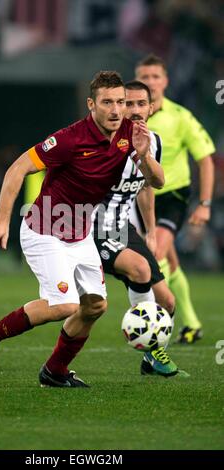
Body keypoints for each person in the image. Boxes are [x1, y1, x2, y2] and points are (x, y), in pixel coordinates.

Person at [0, 71, 164, 388]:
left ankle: (55, 372)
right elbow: (18, 167)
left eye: (121, 102)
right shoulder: (70, 139)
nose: (116, 110)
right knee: (65, 306)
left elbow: (156, 181)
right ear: (91, 104)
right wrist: (1, 220)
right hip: (44, 231)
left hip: (79, 233)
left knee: (95, 306)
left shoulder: (131, 134)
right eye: (107, 102)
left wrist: (144, 156)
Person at [93, 80, 177, 376]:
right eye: (129, 103)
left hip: (124, 228)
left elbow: (149, 185)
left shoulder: (153, 141)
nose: (136, 110)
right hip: (93, 227)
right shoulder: (105, 139)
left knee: (167, 300)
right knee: (86, 303)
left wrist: (150, 231)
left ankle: (150, 360)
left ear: (151, 108)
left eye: (142, 104)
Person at [134, 54, 215, 343]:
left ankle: (156, 329)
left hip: (173, 196)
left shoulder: (181, 117)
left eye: (156, 76)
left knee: (155, 255)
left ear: (166, 81)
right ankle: (192, 324)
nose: (150, 81)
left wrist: (204, 205)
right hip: (139, 196)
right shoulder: (126, 118)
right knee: (170, 260)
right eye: (144, 76)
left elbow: (206, 159)